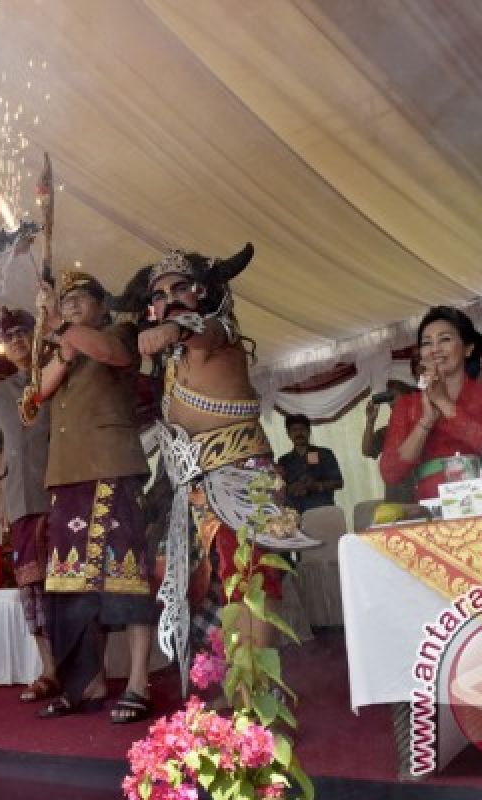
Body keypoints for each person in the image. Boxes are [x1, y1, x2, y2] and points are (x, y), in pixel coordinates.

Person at [118, 247, 309, 693]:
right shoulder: (171, 363)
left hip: (242, 477)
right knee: (200, 584)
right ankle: (231, 688)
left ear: (206, 292)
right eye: (161, 294)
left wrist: (169, 326)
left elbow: (200, 328)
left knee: (249, 579)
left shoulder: (220, 334)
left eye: (182, 287)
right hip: (193, 488)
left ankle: (255, 692)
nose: (172, 298)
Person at [32, 269, 154, 723]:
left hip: (110, 469)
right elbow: (39, 391)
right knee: (72, 586)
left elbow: (109, 352)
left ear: (102, 306)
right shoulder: (66, 347)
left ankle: (139, 682)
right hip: (67, 478)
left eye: (81, 299)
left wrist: (59, 326)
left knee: (127, 576)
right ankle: (88, 682)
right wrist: (57, 340)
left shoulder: (119, 331)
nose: (71, 305)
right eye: (65, 301)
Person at [0, 308, 60, 703]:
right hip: (19, 501)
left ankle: (81, 668)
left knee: (68, 584)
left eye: (22, 332)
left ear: (37, 335)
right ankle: (48, 669)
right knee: (31, 588)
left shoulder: (57, 375)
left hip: (63, 492)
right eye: (8, 335)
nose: (16, 340)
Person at [381, 306, 482, 500]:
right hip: (431, 511)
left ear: (468, 348)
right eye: (427, 343)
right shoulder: (406, 406)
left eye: (445, 339)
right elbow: (390, 473)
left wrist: (445, 404)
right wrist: (426, 422)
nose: (435, 349)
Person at [361, 380, 417, 503]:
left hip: (419, 492)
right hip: (396, 495)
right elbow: (367, 450)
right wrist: (370, 421)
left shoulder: (421, 424)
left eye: (395, 395)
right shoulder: (387, 431)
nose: (391, 399)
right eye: (390, 395)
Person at [277, 414, 344, 514]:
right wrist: (292, 488)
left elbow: (339, 482)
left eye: (302, 429)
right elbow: (280, 489)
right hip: (295, 515)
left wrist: (317, 485)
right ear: (288, 434)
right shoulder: (283, 461)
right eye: (294, 430)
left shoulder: (325, 454)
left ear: (309, 431)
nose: (299, 433)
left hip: (322, 511)